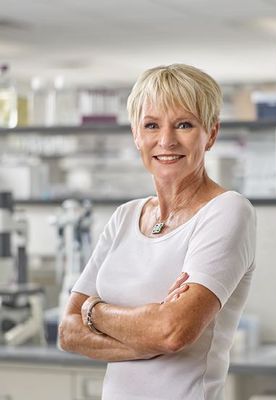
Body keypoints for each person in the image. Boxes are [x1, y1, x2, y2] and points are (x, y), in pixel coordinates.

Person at [58, 63, 256, 400]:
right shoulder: (124, 217)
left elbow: (172, 331)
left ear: (211, 133)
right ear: (136, 134)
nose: (166, 140)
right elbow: (67, 331)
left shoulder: (227, 211)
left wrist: (94, 311)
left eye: (184, 124)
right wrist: (145, 334)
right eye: (151, 125)